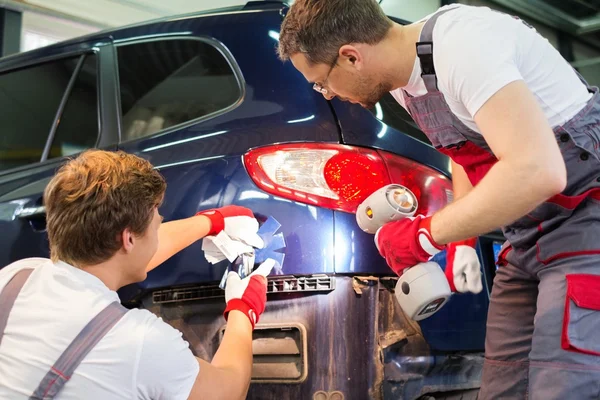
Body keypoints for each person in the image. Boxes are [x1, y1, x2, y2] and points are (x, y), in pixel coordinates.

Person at [278, 1, 600, 398]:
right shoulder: (403, 82)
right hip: (527, 235)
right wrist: (463, 239)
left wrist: (426, 235)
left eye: (321, 82)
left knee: (563, 386)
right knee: (500, 388)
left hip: (587, 219)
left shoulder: (463, 48)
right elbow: (465, 149)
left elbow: (539, 170)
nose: (328, 93)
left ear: (351, 57)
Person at [0, 149, 273, 399]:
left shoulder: (17, 277)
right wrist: (243, 309)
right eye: (157, 224)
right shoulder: (139, 341)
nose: (158, 232)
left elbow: (124, 255)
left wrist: (211, 221)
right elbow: (227, 390)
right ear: (128, 239)